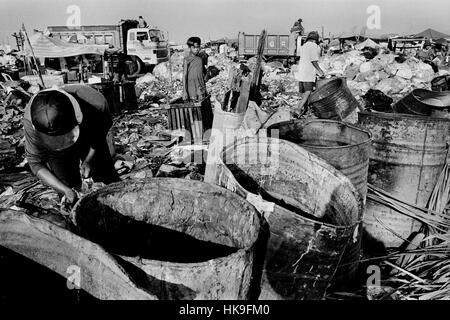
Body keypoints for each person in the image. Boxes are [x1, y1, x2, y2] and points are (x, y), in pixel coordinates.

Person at [23, 84, 120, 205]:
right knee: (69, 193)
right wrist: (65, 190)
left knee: (107, 179)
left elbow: (98, 137)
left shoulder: (96, 104)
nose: (64, 143)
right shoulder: (29, 120)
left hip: (88, 134)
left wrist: (88, 159)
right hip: (56, 153)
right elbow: (35, 162)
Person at [294, 31, 326, 116]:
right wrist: (320, 71)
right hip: (308, 73)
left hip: (301, 72)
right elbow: (314, 60)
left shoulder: (303, 46)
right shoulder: (314, 46)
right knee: (308, 92)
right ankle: (298, 109)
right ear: (315, 40)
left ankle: (305, 110)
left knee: (304, 93)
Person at [183, 37, 207, 102]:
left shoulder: (200, 59)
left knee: (201, 107)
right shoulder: (187, 59)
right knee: (193, 107)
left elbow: (204, 72)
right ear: (190, 47)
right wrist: (184, 91)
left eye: (198, 47)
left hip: (200, 88)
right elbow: (184, 75)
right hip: (191, 89)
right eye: (194, 47)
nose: (196, 49)